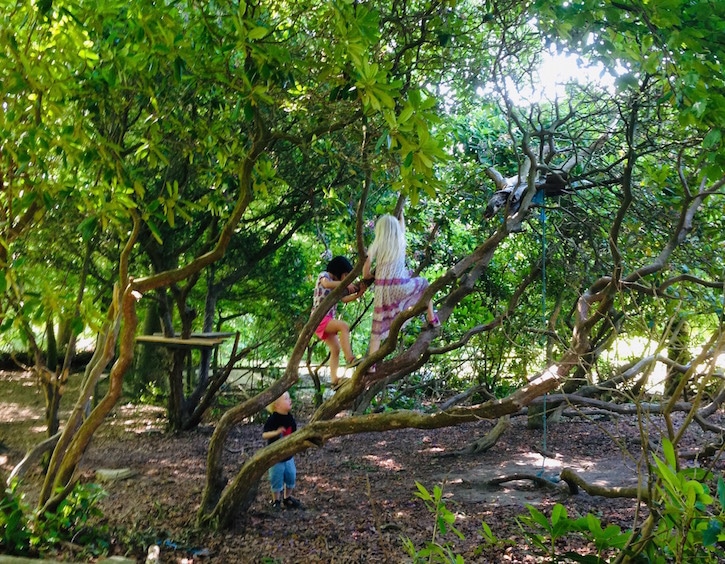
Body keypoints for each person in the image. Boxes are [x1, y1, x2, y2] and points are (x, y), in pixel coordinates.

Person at [363, 212, 439, 362]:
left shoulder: (377, 244)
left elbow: (367, 263)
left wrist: (367, 276)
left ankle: (371, 364)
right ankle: (432, 317)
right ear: (396, 229)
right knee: (424, 283)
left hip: (382, 291)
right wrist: (402, 213)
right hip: (399, 286)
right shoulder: (400, 241)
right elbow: (402, 227)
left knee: (376, 329)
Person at [311, 255, 367, 387]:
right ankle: (350, 359)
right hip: (319, 318)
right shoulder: (324, 275)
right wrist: (346, 284)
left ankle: (334, 380)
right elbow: (326, 284)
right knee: (344, 326)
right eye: (346, 275)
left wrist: (358, 294)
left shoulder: (338, 286)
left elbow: (344, 299)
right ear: (339, 271)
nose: (347, 279)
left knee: (335, 349)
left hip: (325, 319)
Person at [262, 391, 302, 510]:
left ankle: (287, 497)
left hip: (288, 456)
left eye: (289, 398)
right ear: (277, 405)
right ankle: (276, 500)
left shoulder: (290, 418)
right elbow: (265, 435)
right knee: (276, 478)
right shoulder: (273, 419)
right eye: (286, 399)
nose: (290, 400)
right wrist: (276, 432)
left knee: (291, 476)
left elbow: (294, 433)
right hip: (275, 457)